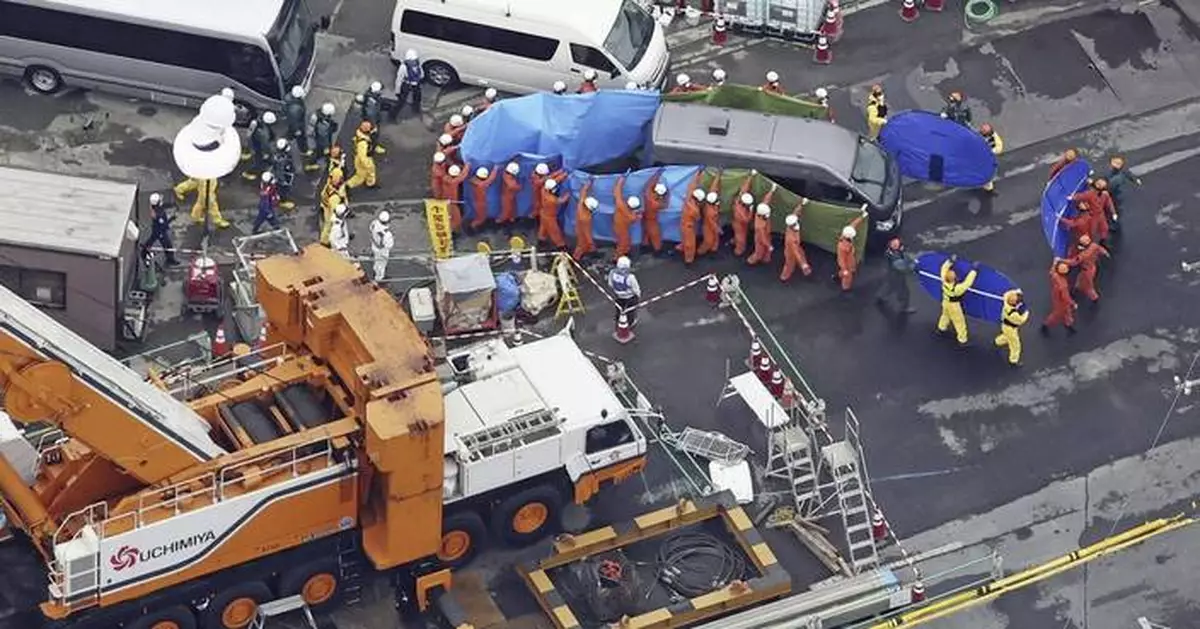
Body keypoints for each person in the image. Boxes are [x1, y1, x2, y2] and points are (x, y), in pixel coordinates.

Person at [937, 255, 979, 345]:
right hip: (954, 306)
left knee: (945, 315)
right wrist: (974, 270)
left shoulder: (943, 279)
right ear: (953, 279)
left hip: (945, 302)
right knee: (959, 322)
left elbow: (943, 268)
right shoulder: (957, 289)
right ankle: (962, 339)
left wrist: (950, 261)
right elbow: (968, 283)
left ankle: (941, 328)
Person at [876, 237, 916, 313]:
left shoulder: (894, 251)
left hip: (891, 274)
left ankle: (880, 297)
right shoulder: (893, 255)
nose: (896, 245)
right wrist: (912, 267)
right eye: (894, 244)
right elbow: (900, 266)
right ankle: (904, 307)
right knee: (903, 292)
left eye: (897, 244)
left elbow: (905, 258)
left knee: (889, 286)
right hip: (896, 275)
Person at [1067, 234, 1109, 303]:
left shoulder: (1083, 255)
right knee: (1080, 278)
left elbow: (1073, 262)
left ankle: (1094, 298)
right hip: (1092, 267)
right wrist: (1106, 253)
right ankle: (1076, 288)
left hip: (1086, 271)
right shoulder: (1094, 246)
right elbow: (1100, 249)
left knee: (1088, 287)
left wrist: (1062, 260)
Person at [141, 193, 179, 265]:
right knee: (168, 245)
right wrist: (172, 218)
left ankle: (144, 251)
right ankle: (171, 259)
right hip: (160, 231)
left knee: (152, 239)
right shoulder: (158, 214)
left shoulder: (155, 207)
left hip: (156, 229)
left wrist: (172, 204)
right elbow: (164, 224)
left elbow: (163, 205)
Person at [1041, 261, 1077, 335]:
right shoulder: (1063, 285)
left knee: (1067, 312)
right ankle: (1046, 325)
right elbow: (1066, 297)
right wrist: (1073, 303)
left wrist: (1055, 263)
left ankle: (1068, 324)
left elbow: (1052, 271)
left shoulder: (1055, 275)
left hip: (1055, 296)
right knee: (1057, 314)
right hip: (1061, 301)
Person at [1105, 156, 1141, 231]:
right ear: (1111, 162)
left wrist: (1135, 180)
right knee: (1107, 208)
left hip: (1117, 194)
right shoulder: (1107, 172)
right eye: (1115, 163)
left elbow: (1129, 175)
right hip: (1108, 192)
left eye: (1119, 163)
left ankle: (1114, 223)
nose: (1116, 165)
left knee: (1115, 208)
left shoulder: (1122, 172)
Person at [995, 289, 1028, 367]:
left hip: (1005, 326)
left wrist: (1016, 292)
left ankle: (997, 342)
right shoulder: (1013, 314)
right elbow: (1021, 320)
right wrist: (1026, 313)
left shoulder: (1006, 302)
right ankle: (1013, 360)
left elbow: (1007, 294)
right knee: (1015, 345)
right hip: (1011, 328)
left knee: (1007, 336)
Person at [834, 214, 866, 292]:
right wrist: (845, 269)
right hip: (847, 263)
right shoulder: (843, 247)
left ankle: (838, 277)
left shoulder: (846, 233)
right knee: (848, 276)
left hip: (849, 260)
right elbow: (841, 259)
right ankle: (845, 288)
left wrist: (862, 217)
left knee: (845, 272)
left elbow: (853, 224)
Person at [677, 173, 705, 264]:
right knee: (690, 245)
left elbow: (691, 187)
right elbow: (698, 218)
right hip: (689, 227)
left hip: (683, 224)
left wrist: (697, 175)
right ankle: (689, 260)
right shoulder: (695, 210)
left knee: (684, 240)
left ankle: (681, 248)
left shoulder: (688, 200)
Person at [607, 256, 642, 326]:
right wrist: (638, 296)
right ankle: (630, 322)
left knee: (619, 309)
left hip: (618, 296)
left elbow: (610, 284)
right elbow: (636, 289)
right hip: (630, 297)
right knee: (630, 310)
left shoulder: (612, 272)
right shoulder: (630, 277)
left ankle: (618, 319)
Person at [779, 210, 812, 283]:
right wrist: (802, 264)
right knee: (789, 264)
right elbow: (796, 252)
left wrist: (801, 204)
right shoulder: (791, 238)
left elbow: (795, 213)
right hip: (791, 251)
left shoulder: (791, 223)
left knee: (802, 256)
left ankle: (806, 270)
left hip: (797, 247)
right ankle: (784, 277)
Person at [538, 176, 570, 248]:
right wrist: (568, 194)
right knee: (555, 231)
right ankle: (561, 245)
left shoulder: (544, 190)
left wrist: (562, 176)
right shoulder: (551, 199)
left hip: (543, 213)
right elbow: (562, 200)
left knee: (543, 228)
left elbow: (554, 182)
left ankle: (541, 239)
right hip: (550, 217)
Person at [613, 176, 640, 260]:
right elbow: (635, 218)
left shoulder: (621, 204)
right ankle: (617, 258)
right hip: (622, 229)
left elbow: (617, 192)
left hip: (618, 226)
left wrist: (621, 180)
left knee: (626, 241)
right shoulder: (631, 216)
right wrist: (638, 215)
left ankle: (625, 253)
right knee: (623, 243)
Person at [244, 111, 277, 180]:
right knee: (258, 162)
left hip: (254, 142)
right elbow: (265, 145)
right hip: (258, 147)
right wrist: (266, 153)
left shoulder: (256, 122)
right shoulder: (263, 133)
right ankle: (249, 172)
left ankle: (247, 153)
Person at [319, 167, 348, 246]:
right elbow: (334, 211)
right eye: (341, 177)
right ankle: (324, 241)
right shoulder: (334, 197)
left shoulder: (331, 182)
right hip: (329, 207)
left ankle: (342, 235)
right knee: (329, 224)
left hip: (327, 203)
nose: (342, 178)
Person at [697, 172, 723, 256]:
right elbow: (712, 224)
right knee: (708, 241)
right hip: (709, 226)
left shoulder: (711, 197)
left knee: (716, 239)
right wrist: (718, 229)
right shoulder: (710, 212)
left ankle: (713, 251)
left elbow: (713, 188)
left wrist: (718, 176)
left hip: (714, 222)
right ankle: (700, 252)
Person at [394, 49, 424, 119]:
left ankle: (416, 110)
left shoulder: (417, 64)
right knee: (401, 101)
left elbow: (421, 73)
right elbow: (399, 79)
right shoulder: (403, 67)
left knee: (417, 98)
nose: (414, 62)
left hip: (416, 84)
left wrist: (419, 78)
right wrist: (397, 91)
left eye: (415, 60)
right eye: (412, 61)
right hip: (407, 84)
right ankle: (393, 115)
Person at [346, 121, 377, 190]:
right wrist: (367, 165)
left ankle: (370, 183)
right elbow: (362, 157)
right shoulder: (363, 143)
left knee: (370, 172)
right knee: (360, 176)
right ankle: (347, 186)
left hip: (365, 157)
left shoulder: (360, 134)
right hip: (362, 160)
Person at [642, 169, 667, 254]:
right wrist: (667, 195)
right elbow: (665, 205)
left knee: (646, 232)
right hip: (651, 220)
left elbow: (649, 185)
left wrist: (657, 175)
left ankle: (645, 246)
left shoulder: (648, 194)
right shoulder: (656, 204)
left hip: (645, 217)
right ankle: (658, 250)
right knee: (655, 235)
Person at [358, 81, 386, 154]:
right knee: (373, 136)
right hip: (372, 122)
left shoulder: (371, 96)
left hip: (371, 119)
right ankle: (372, 149)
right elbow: (371, 114)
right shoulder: (372, 102)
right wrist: (374, 126)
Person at [283, 86, 311, 161]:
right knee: (301, 138)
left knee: (291, 130)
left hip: (292, 122)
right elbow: (294, 121)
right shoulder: (295, 109)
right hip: (298, 125)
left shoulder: (288, 98)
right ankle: (303, 150)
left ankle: (288, 138)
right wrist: (297, 130)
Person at [308, 102, 338, 172]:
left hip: (317, 138)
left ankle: (312, 162)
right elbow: (324, 137)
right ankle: (329, 164)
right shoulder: (323, 125)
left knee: (318, 151)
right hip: (322, 142)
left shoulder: (317, 116)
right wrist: (326, 147)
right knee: (323, 152)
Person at [731, 173, 756, 256]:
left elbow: (744, 188)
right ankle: (738, 251)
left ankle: (733, 241)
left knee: (738, 235)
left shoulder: (739, 199)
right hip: (740, 225)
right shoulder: (741, 213)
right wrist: (751, 210)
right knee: (741, 239)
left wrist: (751, 177)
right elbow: (747, 220)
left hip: (737, 223)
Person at [574, 178, 597, 260]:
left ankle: (587, 252)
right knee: (581, 245)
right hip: (581, 232)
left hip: (579, 227)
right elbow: (587, 233)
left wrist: (589, 183)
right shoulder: (585, 218)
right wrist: (591, 243)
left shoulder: (581, 204)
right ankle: (576, 259)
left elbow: (583, 192)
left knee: (583, 244)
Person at [271, 138, 297, 209]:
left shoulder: (283, 155)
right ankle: (283, 201)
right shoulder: (280, 159)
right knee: (283, 189)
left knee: (284, 188)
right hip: (284, 176)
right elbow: (279, 171)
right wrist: (283, 181)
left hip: (286, 172)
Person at [1088, 177, 1115, 245]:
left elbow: (1109, 203)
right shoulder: (1090, 192)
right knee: (1092, 230)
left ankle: (1103, 241)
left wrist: (1113, 213)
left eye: (1101, 185)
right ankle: (1089, 242)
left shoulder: (1104, 194)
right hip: (1091, 215)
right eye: (1099, 183)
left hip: (1100, 214)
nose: (1099, 185)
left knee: (1105, 228)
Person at [443, 163, 469, 232]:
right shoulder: (454, 181)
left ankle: (451, 230)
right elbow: (463, 176)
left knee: (450, 216)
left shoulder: (446, 177)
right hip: (452, 202)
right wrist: (467, 166)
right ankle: (452, 231)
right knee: (456, 218)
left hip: (447, 200)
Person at [369, 211, 394, 282]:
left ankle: (375, 269)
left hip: (374, 245)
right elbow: (389, 245)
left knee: (376, 260)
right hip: (382, 250)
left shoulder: (374, 223)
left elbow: (370, 229)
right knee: (382, 265)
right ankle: (379, 279)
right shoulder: (387, 234)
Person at [980, 123, 1004, 193]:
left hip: (989, 159)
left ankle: (989, 188)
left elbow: (999, 147)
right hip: (981, 158)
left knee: (988, 174)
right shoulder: (978, 136)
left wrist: (991, 152)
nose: (981, 130)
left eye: (984, 130)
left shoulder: (994, 136)